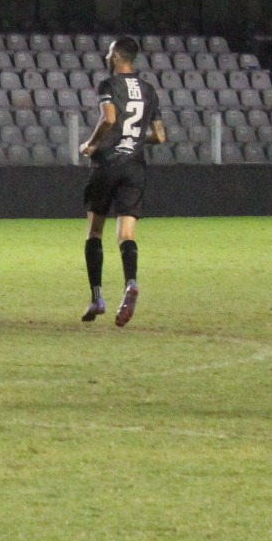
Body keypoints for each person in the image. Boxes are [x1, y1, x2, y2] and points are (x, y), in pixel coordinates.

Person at [79, 34, 166, 327]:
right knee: (127, 235)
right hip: (134, 167)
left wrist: (90, 144)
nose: (106, 56)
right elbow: (160, 136)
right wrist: (136, 138)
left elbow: (108, 119)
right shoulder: (149, 90)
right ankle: (130, 283)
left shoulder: (108, 85)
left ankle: (97, 298)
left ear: (116, 56)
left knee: (95, 232)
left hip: (107, 164)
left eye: (109, 53)